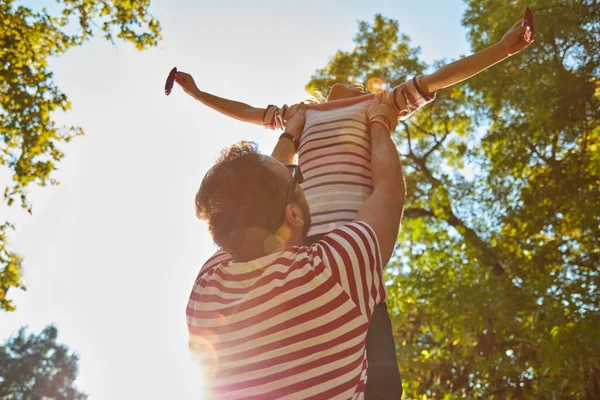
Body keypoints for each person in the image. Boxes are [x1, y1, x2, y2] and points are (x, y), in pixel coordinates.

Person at [184, 15, 535, 399]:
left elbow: (439, 77)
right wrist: (198, 93)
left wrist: (503, 49)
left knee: (381, 376)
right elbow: (251, 120)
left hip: (353, 256)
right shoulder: (301, 115)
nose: (350, 81)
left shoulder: (378, 102)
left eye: (357, 82)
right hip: (302, 247)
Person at [188, 95, 404, 399]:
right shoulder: (334, 273)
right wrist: (380, 122)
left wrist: (291, 132)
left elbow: (245, 210)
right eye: (295, 176)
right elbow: (388, 191)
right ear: (293, 214)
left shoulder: (206, 293)